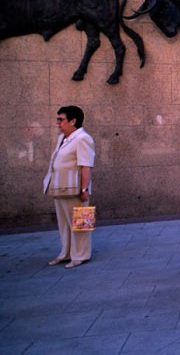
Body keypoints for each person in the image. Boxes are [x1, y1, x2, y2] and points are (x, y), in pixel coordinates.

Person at [43, 105, 95, 269]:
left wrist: (84, 189)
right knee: (64, 224)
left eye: (61, 119)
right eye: (57, 119)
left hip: (76, 189)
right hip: (60, 188)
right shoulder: (63, 138)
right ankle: (66, 253)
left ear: (73, 121)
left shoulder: (83, 138)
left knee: (80, 223)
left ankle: (81, 255)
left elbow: (86, 166)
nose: (58, 123)